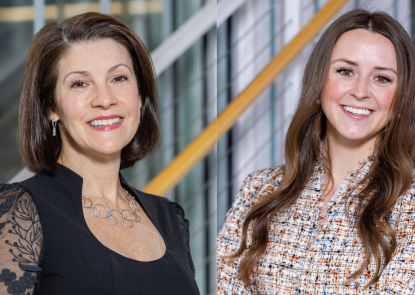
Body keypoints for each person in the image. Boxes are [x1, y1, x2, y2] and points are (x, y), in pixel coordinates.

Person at [217, 9, 415, 294]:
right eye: (345, 71)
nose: (360, 91)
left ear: (401, 97)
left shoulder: (410, 205)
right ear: (320, 82)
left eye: (382, 78)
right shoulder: (257, 191)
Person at [0, 12, 199, 295]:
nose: (105, 99)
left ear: (140, 96)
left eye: (119, 78)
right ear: (51, 107)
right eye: (80, 83)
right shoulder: (18, 212)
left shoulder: (170, 218)